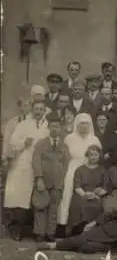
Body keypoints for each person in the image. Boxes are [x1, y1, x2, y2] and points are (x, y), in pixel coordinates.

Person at [37, 189, 117, 255]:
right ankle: (52, 246)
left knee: (86, 248)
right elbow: (112, 214)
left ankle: (66, 244)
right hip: (109, 231)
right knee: (82, 239)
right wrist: (94, 223)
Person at [4, 101, 49, 241]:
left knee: (37, 198)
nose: (38, 112)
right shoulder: (23, 125)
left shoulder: (47, 126)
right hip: (23, 164)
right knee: (20, 198)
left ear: (44, 111)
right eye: (36, 109)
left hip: (40, 165)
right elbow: (12, 143)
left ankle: (37, 230)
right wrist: (24, 143)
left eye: (41, 109)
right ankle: (16, 229)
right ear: (32, 109)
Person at [58, 113, 102, 235]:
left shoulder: (94, 139)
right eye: (81, 123)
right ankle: (62, 225)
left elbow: (97, 156)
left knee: (85, 197)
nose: (84, 126)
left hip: (88, 169)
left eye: (87, 123)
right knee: (67, 195)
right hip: (71, 168)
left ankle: (83, 226)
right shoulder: (69, 138)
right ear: (77, 124)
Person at [31, 113, 71, 242]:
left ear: (61, 129)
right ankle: (40, 233)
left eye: (57, 127)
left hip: (57, 182)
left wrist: (62, 180)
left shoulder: (64, 147)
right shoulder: (41, 144)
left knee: (54, 208)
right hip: (43, 180)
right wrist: (39, 178)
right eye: (52, 126)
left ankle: (50, 232)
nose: (55, 129)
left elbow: (66, 164)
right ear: (48, 128)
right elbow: (36, 161)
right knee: (41, 207)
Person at [66, 145, 109, 236]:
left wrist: (96, 194)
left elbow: (105, 188)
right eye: (91, 155)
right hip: (82, 194)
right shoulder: (80, 169)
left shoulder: (103, 170)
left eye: (95, 155)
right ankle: (77, 232)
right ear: (87, 156)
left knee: (99, 206)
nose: (93, 157)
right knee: (78, 204)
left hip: (97, 196)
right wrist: (85, 194)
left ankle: (93, 232)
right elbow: (77, 186)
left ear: (99, 156)